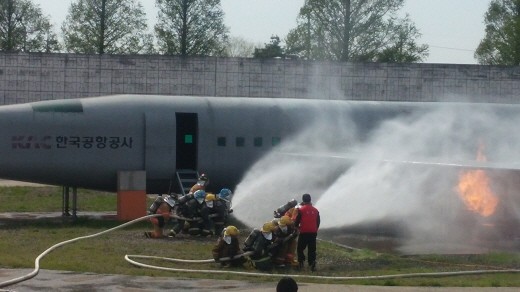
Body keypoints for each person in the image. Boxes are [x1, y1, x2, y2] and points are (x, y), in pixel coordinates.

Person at [294, 193, 320, 271]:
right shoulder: (316, 210)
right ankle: (312, 264)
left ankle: (301, 263)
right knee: (312, 249)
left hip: (304, 232)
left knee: (300, 249)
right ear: (310, 200)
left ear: (303, 200)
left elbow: (297, 221)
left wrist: (296, 227)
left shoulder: (301, 210)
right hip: (313, 233)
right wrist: (315, 229)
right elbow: (318, 222)